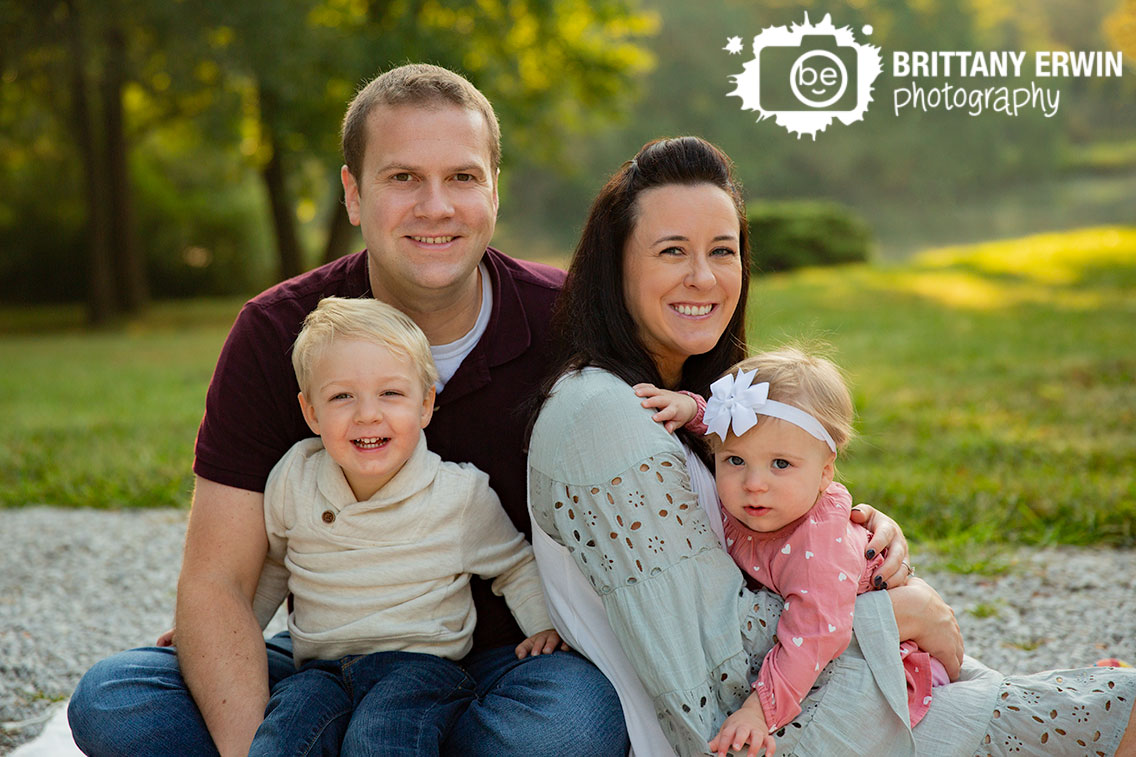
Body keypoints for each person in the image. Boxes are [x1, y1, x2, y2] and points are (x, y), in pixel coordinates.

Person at [68, 64, 627, 757]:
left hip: (496, 662)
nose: (435, 205)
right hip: (323, 663)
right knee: (115, 698)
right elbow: (221, 578)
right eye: (402, 178)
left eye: (461, 177)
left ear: (493, 191)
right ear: (353, 194)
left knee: (572, 724)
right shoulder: (278, 331)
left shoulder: (571, 319)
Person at [525, 135, 1136, 756]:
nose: (703, 276)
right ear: (616, 264)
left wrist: (844, 526)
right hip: (780, 728)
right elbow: (711, 671)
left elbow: (757, 555)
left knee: (1106, 705)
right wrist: (904, 613)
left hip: (823, 688)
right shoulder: (602, 416)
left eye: (722, 250)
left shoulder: (681, 398)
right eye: (672, 251)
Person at [246, 296, 564, 755]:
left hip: (423, 665)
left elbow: (513, 565)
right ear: (311, 412)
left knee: (379, 739)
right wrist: (232, 627)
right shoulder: (295, 478)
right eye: (341, 397)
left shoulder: (458, 495)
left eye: (390, 394)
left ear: (426, 404)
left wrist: (541, 625)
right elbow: (276, 565)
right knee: (284, 735)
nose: (368, 414)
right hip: (320, 667)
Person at [635, 347, 949, 757]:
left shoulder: (815, 544)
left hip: (892, 661)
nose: (754, 483)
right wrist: (691, 410)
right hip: (820, 650)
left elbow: (815, 635)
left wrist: (758, 713)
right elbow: (731, 429)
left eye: (780, 464)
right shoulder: (767, 504)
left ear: (824, 472)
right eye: (735, 461)